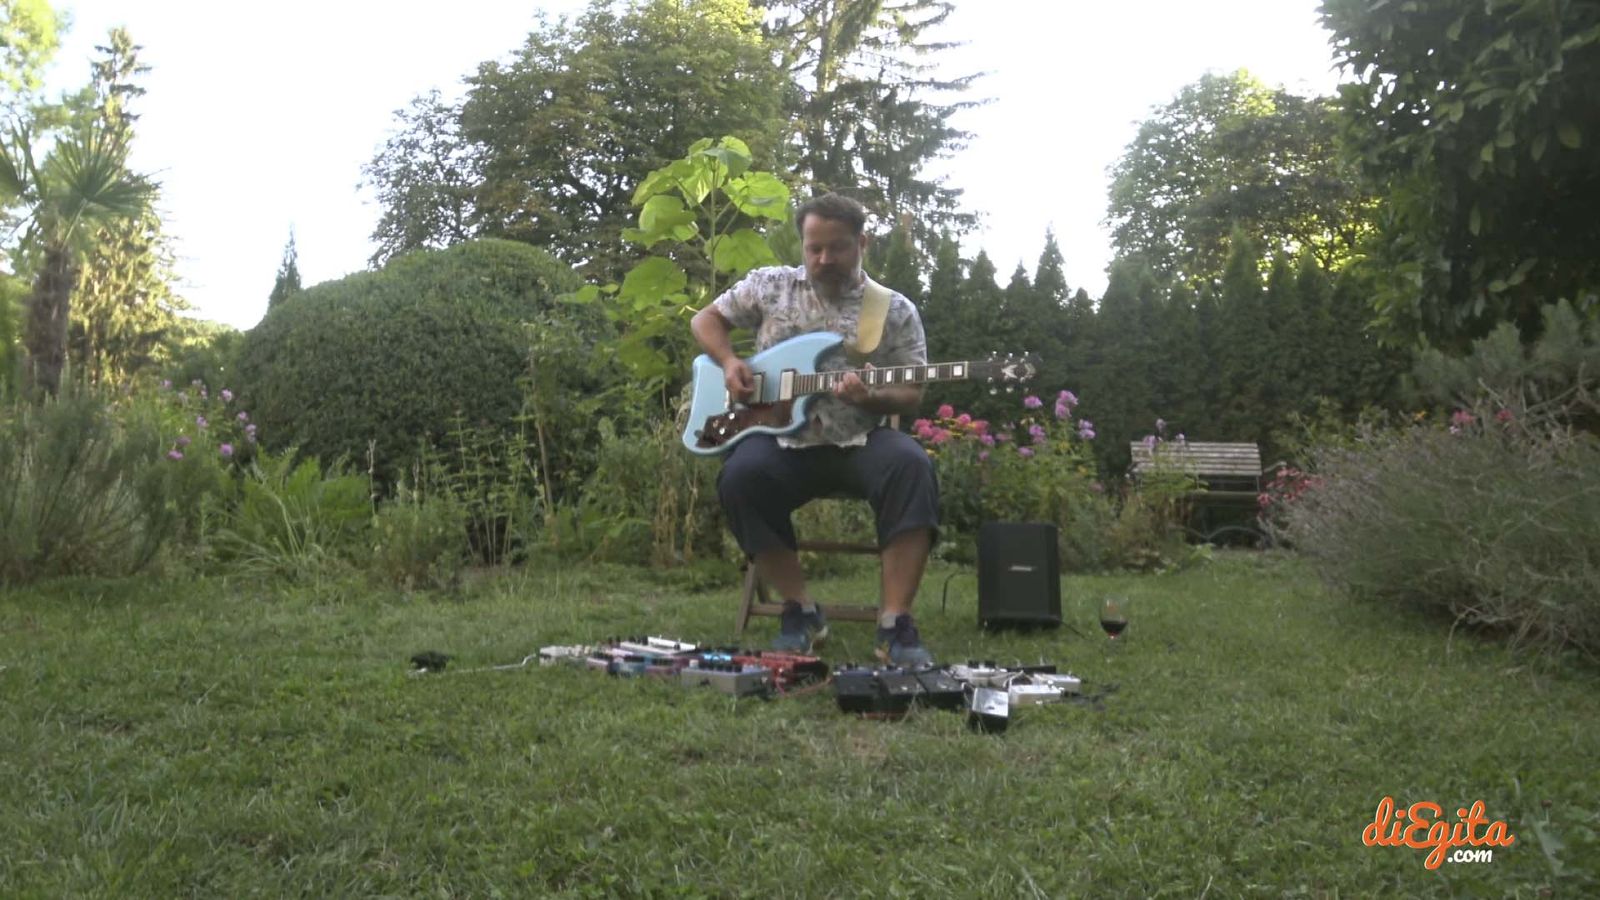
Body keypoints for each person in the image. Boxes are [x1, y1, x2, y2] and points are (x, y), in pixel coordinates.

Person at [689, 192, 938, 667]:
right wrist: (729, 360)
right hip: (781, 440)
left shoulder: (893, 309)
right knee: (739, 478)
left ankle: (895, 623)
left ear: (862, 243)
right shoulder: (770, 286)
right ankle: (800, 610)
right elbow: (706, 320)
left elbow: (912, 392)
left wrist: (871, 398)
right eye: (814, 248)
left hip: (858, 441)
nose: (824, 259)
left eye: (837, 247)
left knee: (911, 466)